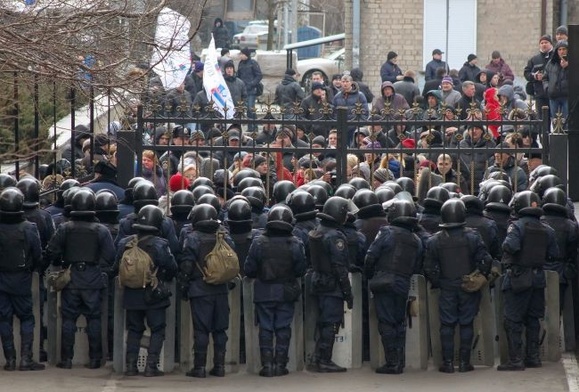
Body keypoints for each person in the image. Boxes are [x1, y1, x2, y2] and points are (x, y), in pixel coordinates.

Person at [45, 188, 115, 369]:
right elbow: (110, 255)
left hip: (71, 277)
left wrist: (61, 262)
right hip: (93, 278)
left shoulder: (64, 228)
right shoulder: (101, 230)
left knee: (68, 318)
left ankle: (67, 359)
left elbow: (51, 251)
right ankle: (95, 358)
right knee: (94, 319)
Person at [424, 198, 492, 373]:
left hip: (446, 286)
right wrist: (479, 276)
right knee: (466, 323)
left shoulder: (434, 241)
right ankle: (464, 362)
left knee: (446, 325)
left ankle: (447, 363)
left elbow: (428, 267)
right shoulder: (473, 236)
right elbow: (486, 260)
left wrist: (438, 282)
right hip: (467, 285)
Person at [497, 190, 558, 371]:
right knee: (533, 319)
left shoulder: (516, 226)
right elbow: (554, 254)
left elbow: (510, 245)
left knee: (512, 320)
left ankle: (516, 360)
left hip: (518, 278)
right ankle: (533, 358)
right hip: (538, 278)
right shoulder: (548, 229)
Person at [244, 206, 307, 377]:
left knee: (265, 327)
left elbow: (249, 269)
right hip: (286, 291)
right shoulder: (295, 243)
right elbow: (301, 269)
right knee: (283, 327)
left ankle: (267, 366)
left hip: (264, 290)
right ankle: (280, 364)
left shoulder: (258, 242)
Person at [115, 205, 177, 376]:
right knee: (157, 329)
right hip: (153, 294)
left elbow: (116, 267)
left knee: (134, 329)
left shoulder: (124, 243)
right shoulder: (160, 244)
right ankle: (151, 366)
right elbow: (171, 267)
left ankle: (130, 366)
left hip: (131, 293)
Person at [364, 199, 423, 374]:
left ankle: (392, 363)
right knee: (399, 321)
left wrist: (369, 276)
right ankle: (400, 360)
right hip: (403, 282)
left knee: (386, 322)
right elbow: (417, 266)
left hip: (384, 281)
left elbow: (370, 256)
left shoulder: (386, 232)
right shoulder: (416, 239)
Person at [179, 204, 235, 378]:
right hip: (221, 288)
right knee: (220, 329)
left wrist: (184, 284)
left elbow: (187, 264)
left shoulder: (193, 238)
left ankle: (200, 367)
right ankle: (219, 367)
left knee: (201, 329)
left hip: (200, 288)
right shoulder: (224, 237)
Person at [307, 196, 355, 373]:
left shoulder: (319, 229)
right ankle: (324, 360)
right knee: (330, 323)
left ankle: (320, 358)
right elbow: (339, 267)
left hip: (319, 281)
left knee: (324, 322)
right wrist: (347, 293)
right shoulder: (335, 236)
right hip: (331, 284)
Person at [0, 187, 44, 371]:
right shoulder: (29, 228)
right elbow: (38, 254)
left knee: (4, 319)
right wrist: (32, 269)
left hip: (1, 279)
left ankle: (10, 359)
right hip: (22, 279)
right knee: (27, 317)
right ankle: (26, 358)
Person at [540, 187, 578, 314]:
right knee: (557, 309)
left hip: (538, 270)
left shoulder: (539, 222)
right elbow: (573, 252)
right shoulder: (571, 226)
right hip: (561, 272)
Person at [524, 35, 554, 118]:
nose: (544, 45)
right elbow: (526, 73)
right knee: (541, 119)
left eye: (546, 42)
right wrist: (535, 76)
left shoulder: (555, 57)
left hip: (553, 93)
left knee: (556, 119)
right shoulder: (534, 59)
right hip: (539, 94)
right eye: (542, 43)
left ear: (551, 44)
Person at [542, 40, 569, 127]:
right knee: (555, 122)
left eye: (564, 49)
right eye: (559, 49)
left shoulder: (573, 62)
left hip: (567, 96)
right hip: (554, 96)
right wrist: (547, 88)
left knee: (566, 121)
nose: (562, 51)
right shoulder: (551, 63)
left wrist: (567, 67)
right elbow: (545, 78)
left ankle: (567, 140)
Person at [237, 47, 263, 131]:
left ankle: (252, 127)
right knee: (248, 108)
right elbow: (239, 75)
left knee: (250, 108)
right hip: (243, 89)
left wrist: (252, 84)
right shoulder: (241, 63)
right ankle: (253, 126)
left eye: (242, 54)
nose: (240, 56)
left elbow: (259, 75)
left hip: (251, 90)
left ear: (246, 55)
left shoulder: (253, 63)